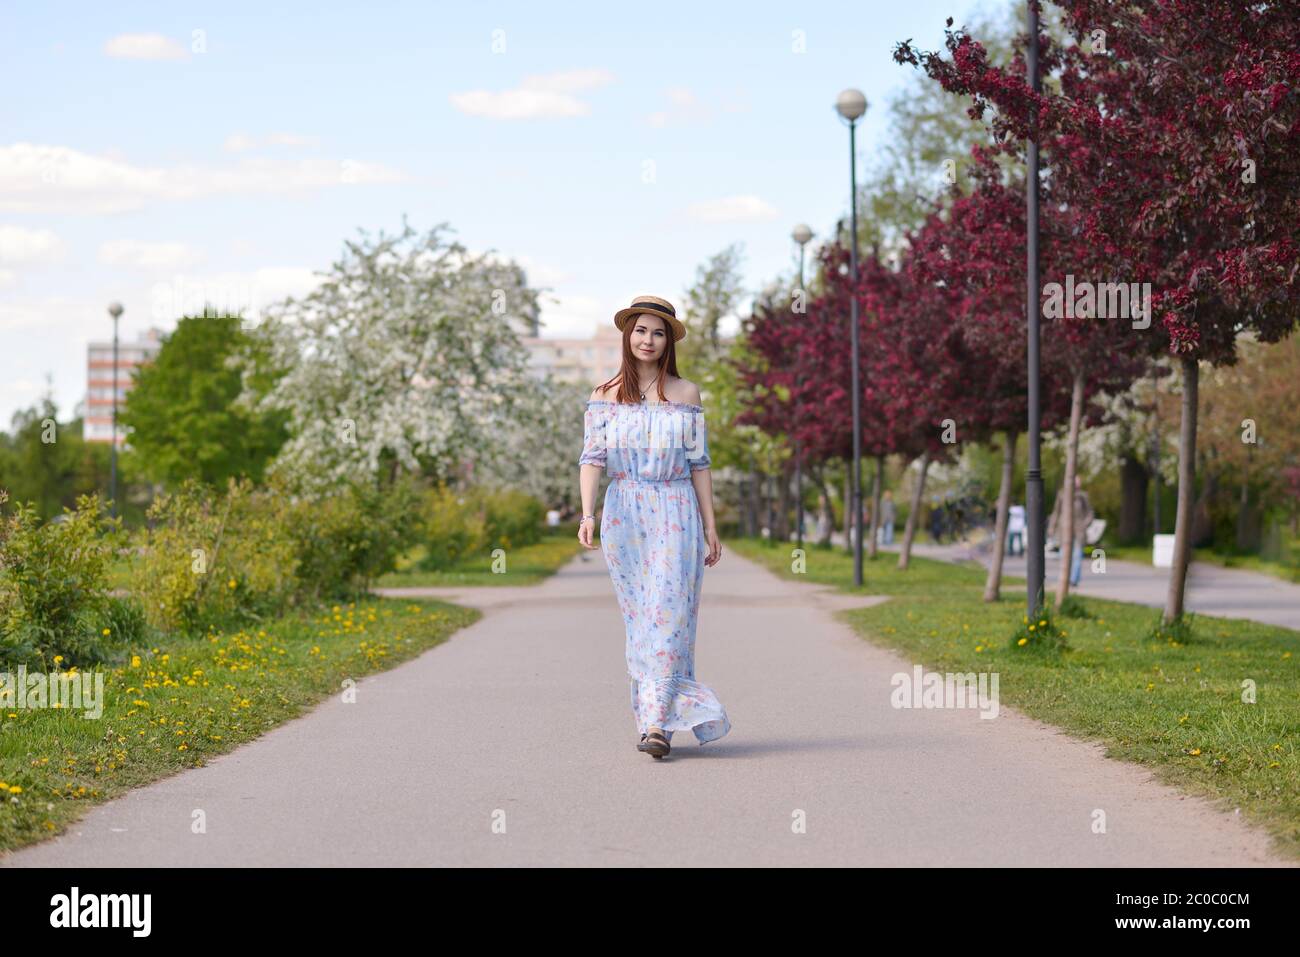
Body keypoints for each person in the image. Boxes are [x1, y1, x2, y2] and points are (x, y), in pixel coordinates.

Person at [576, 295, 730, 760]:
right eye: (641, 330)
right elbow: (592, 459)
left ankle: (655, 725)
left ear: (668, 342)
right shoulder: (605, 395)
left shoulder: (686, 394)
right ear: (628, 335)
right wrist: (588, 513)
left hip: (675, 508)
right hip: (624, 513)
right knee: (641, 620)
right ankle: (654, 717)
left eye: (658, 333)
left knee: (669, 614)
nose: (648, 340)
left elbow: (699, 464)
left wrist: (710, 525)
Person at [1047, 476, 1095, 587]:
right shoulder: (1062, 494)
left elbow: (1090, 513)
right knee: (1063, 555)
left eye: (1078, 482)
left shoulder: (1083, 496)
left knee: (1077, 555)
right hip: (1064, 530)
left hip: (1079, 531)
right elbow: (1056, 512)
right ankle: (1065, 578)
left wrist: (1085, 524)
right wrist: (1051, 527)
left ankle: (1073, 580)